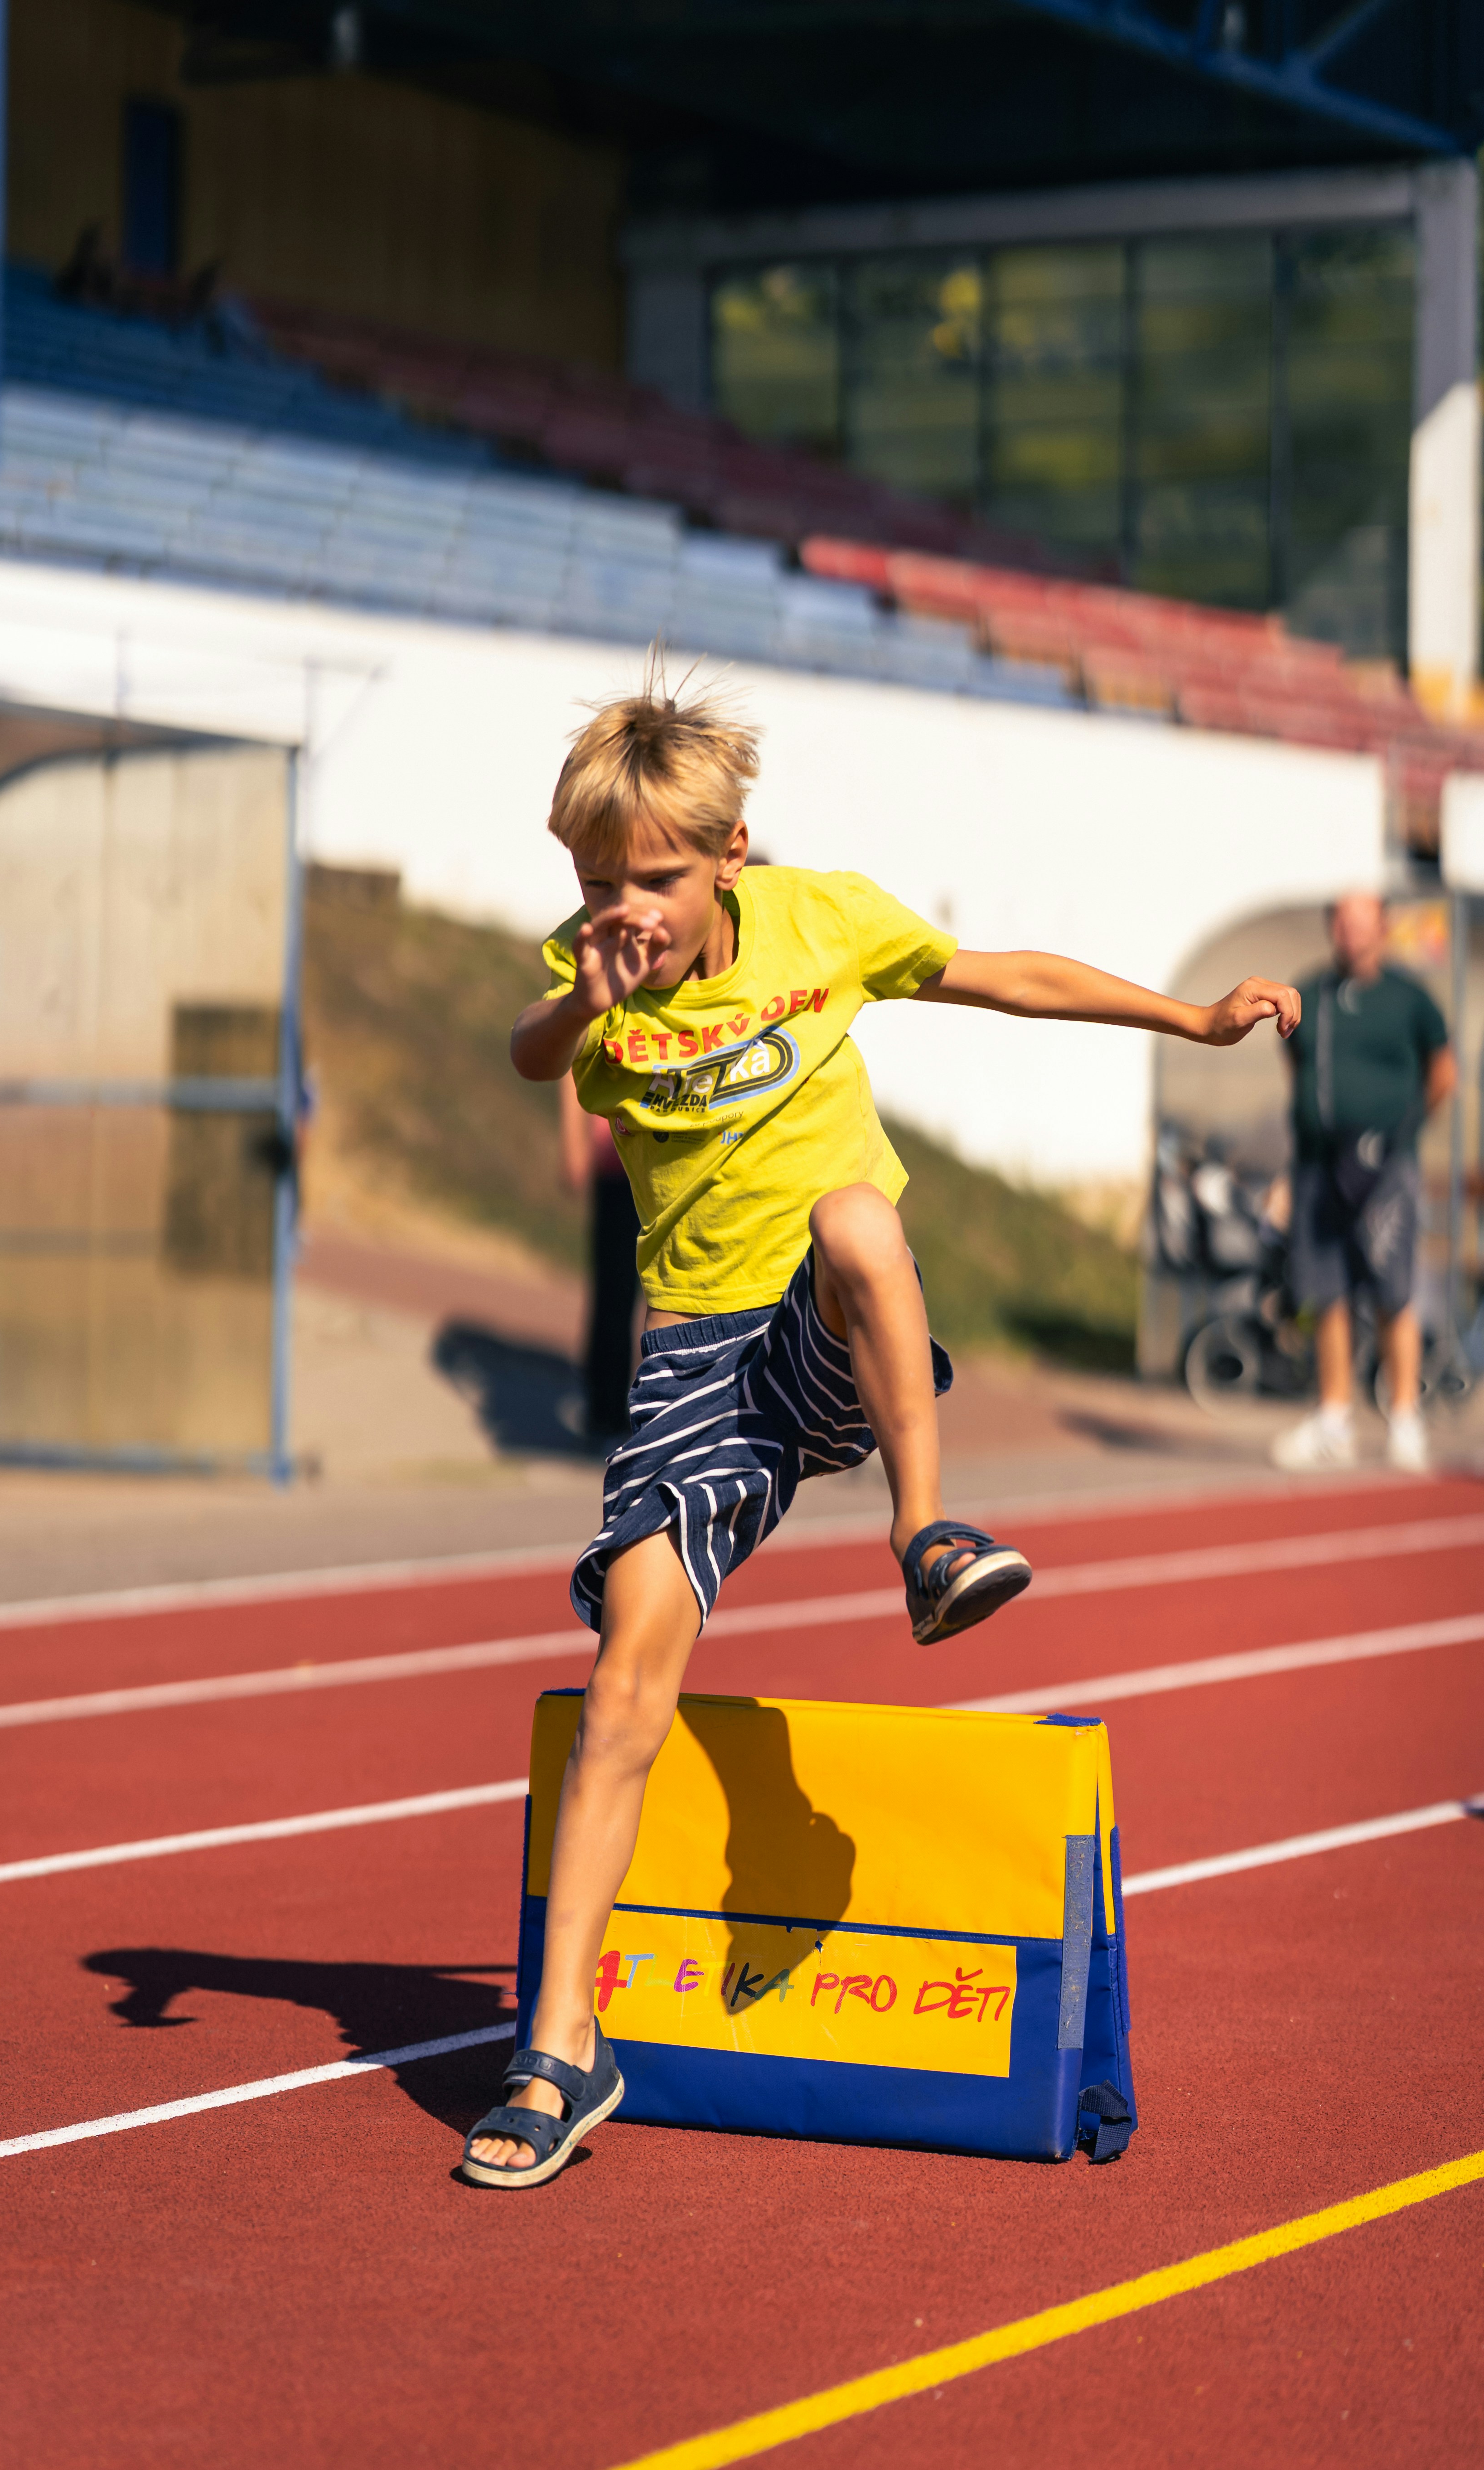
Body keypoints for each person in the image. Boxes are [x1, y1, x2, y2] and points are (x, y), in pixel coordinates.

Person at [462, 674, 1300, 2187]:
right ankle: (559, 2044)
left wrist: (1193, 1016)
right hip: (690, 1367)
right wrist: (577, 1003)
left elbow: (1007, 982)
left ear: (728, 855)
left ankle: (925, 1535)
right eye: (598, 884)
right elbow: (527, 1057)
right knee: (624, 1680)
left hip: (830, 1324)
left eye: (653, 879)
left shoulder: (821, 923)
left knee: (857, 1212)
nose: (625, 909)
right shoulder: (592, 980)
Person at [1273, 893, 1455, 1475]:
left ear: (1382, 927)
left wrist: (1400, 1131)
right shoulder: (1312, 994)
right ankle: (1335, 1418)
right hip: (1321, 1165)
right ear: (1334, 927)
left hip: (1386, 1169)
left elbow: (1443, 1070)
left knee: (1391, 1286)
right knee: (1327, 1288)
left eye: (1363, 921)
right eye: (1343, 922)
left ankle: (1405, 1417)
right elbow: (1297, 1068)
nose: (1353, 932)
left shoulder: (1410, 999)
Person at [559, 1075, 642, 1439]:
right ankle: (605, 1409)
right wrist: (572, 1140)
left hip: (687, 1157)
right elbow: (574, 1054)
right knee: (615, 1291)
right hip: (619, 1156)